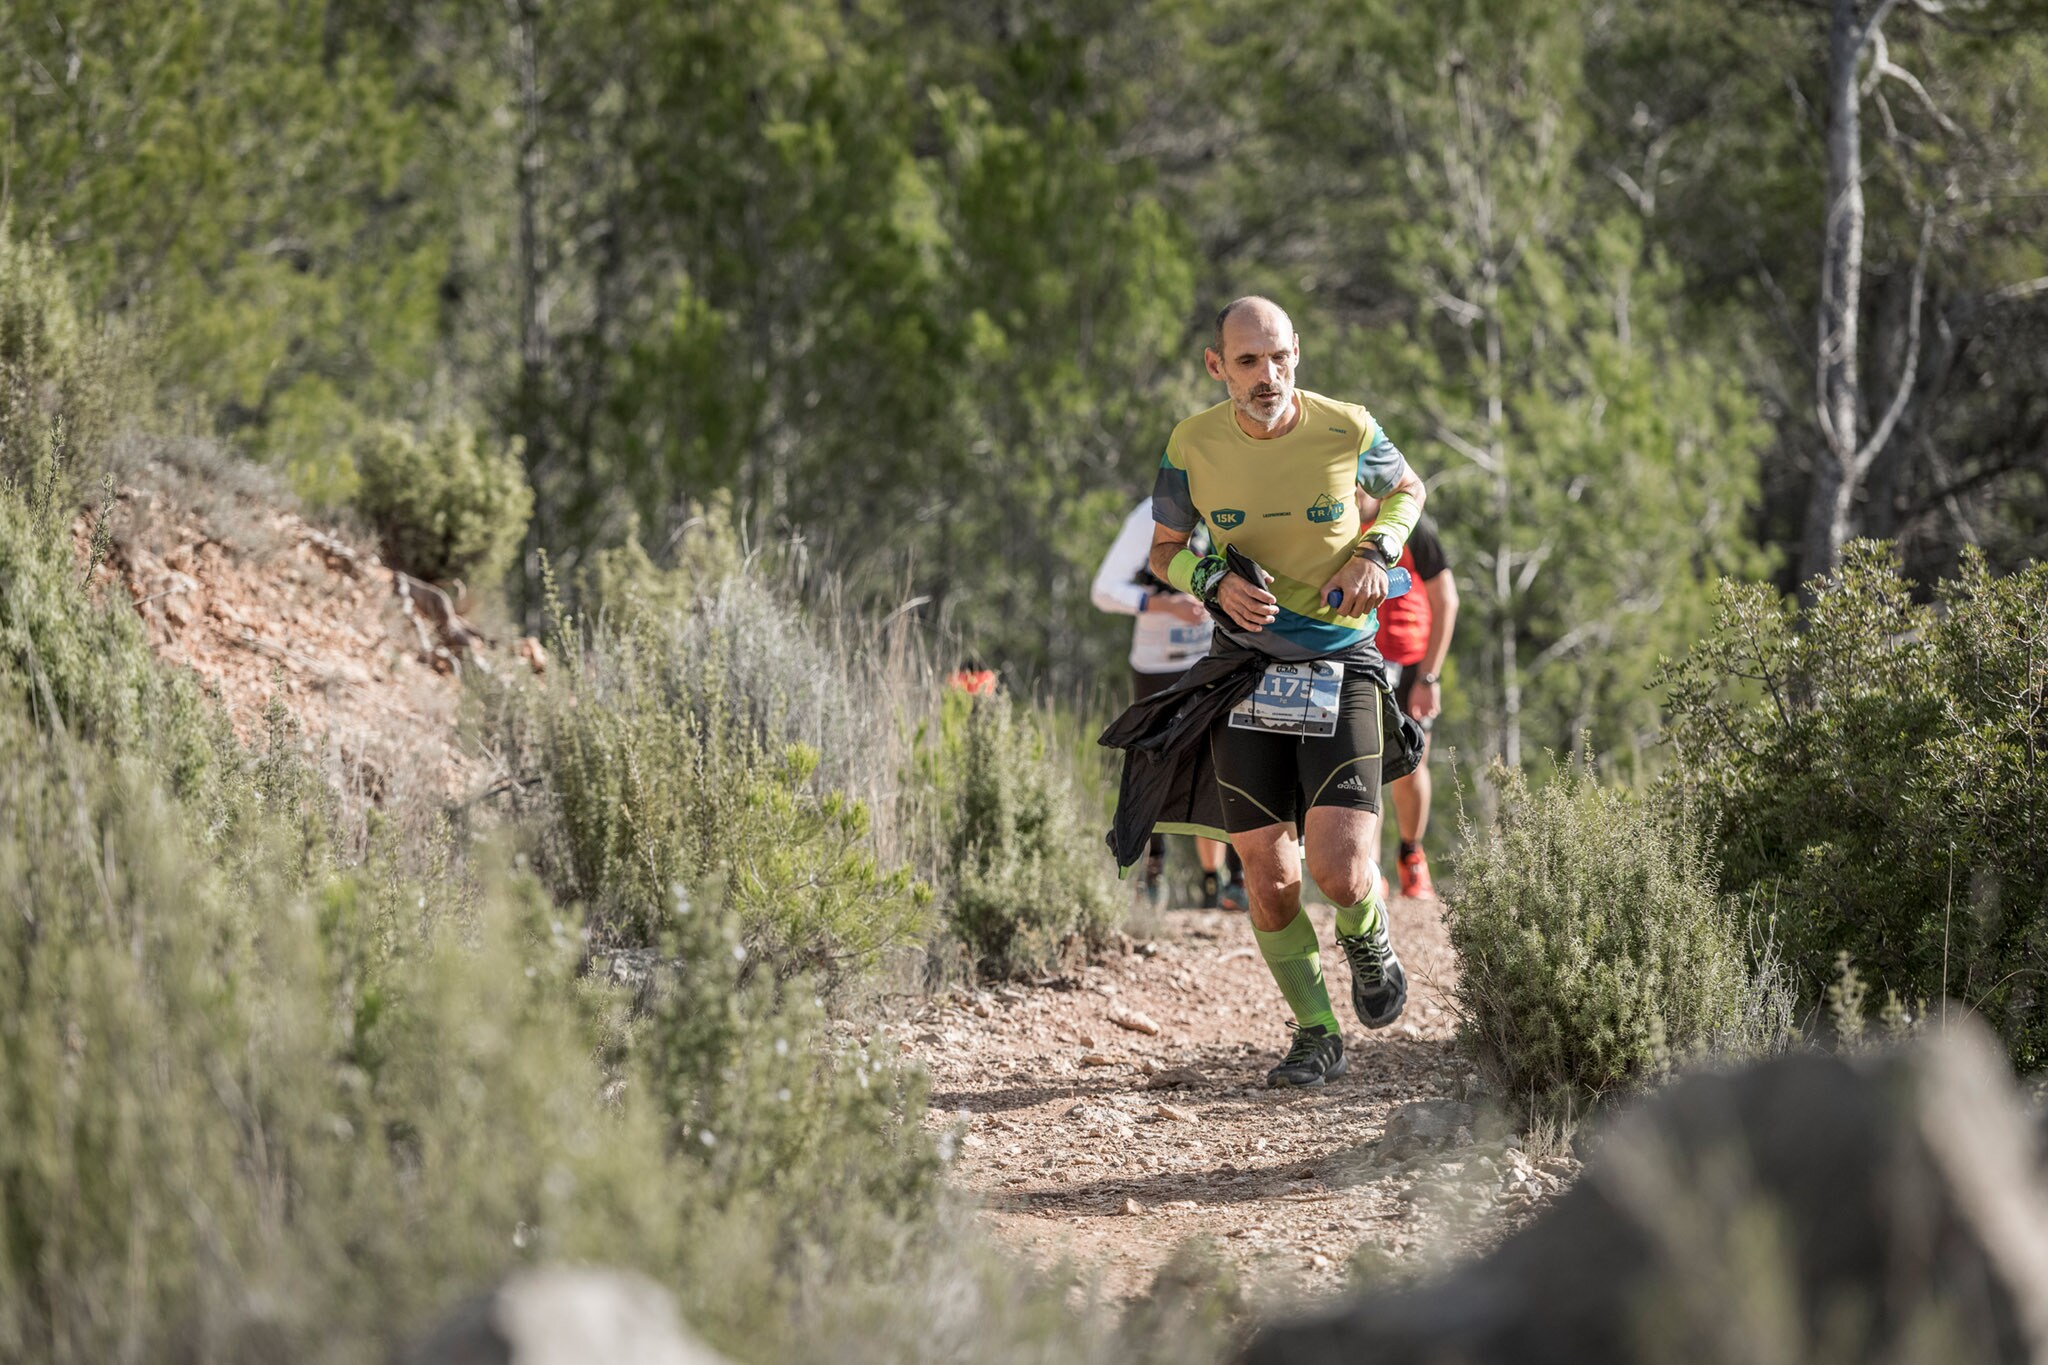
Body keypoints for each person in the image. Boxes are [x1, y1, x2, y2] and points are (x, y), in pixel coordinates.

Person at [1101, 294, 1428, 1089]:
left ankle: (1368, 933)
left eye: (1279, 356)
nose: (1267, 374)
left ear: (1296, 355)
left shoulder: (1346, 425)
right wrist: (1212, 581)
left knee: (1342, 869)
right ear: (1218, 367)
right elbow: (1166, 551)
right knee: (1269, 875)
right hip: (1245, 666)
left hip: (1343, 662)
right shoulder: (1192, 443)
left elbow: (1409, 489)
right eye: (1247, 360)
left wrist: (1374, 553)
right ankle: (1316, 1031)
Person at [1091, 497, 1248, 911]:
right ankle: (1152, 876)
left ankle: (1234, 879)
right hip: (1157, 663)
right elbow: (1104, 590)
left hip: (1217, 656)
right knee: (1155, 759)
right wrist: (1163, 604)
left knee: (1229, 757)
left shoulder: (1234, 501)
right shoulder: (1150, 516)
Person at [1366, 498, 1457, 900]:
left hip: (1412, 661)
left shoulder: (1410, 524)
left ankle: (1411, 856)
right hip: (1359, 658)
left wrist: (1430, 676)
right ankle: (1369, 870)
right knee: (1363, 770)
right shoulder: (1334, 520)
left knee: (1409, 767)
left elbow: (1446, 600)